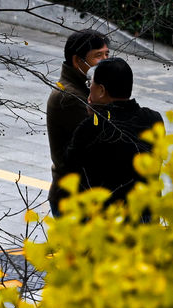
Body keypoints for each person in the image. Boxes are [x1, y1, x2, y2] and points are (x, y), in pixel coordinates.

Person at [64, 57, 164, 308]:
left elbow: (69, 176)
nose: (89, 89)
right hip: (146, 225)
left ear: (103, 90)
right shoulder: (153, 121)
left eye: (92, 84)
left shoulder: (90, 130)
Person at [46, 29, 109, 217]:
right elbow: (102, 140)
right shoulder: (70, 97)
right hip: (74, 201)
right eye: (98, 56)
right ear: (77, 61)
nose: (105, 61)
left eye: (107, 54)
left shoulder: (87, 88)